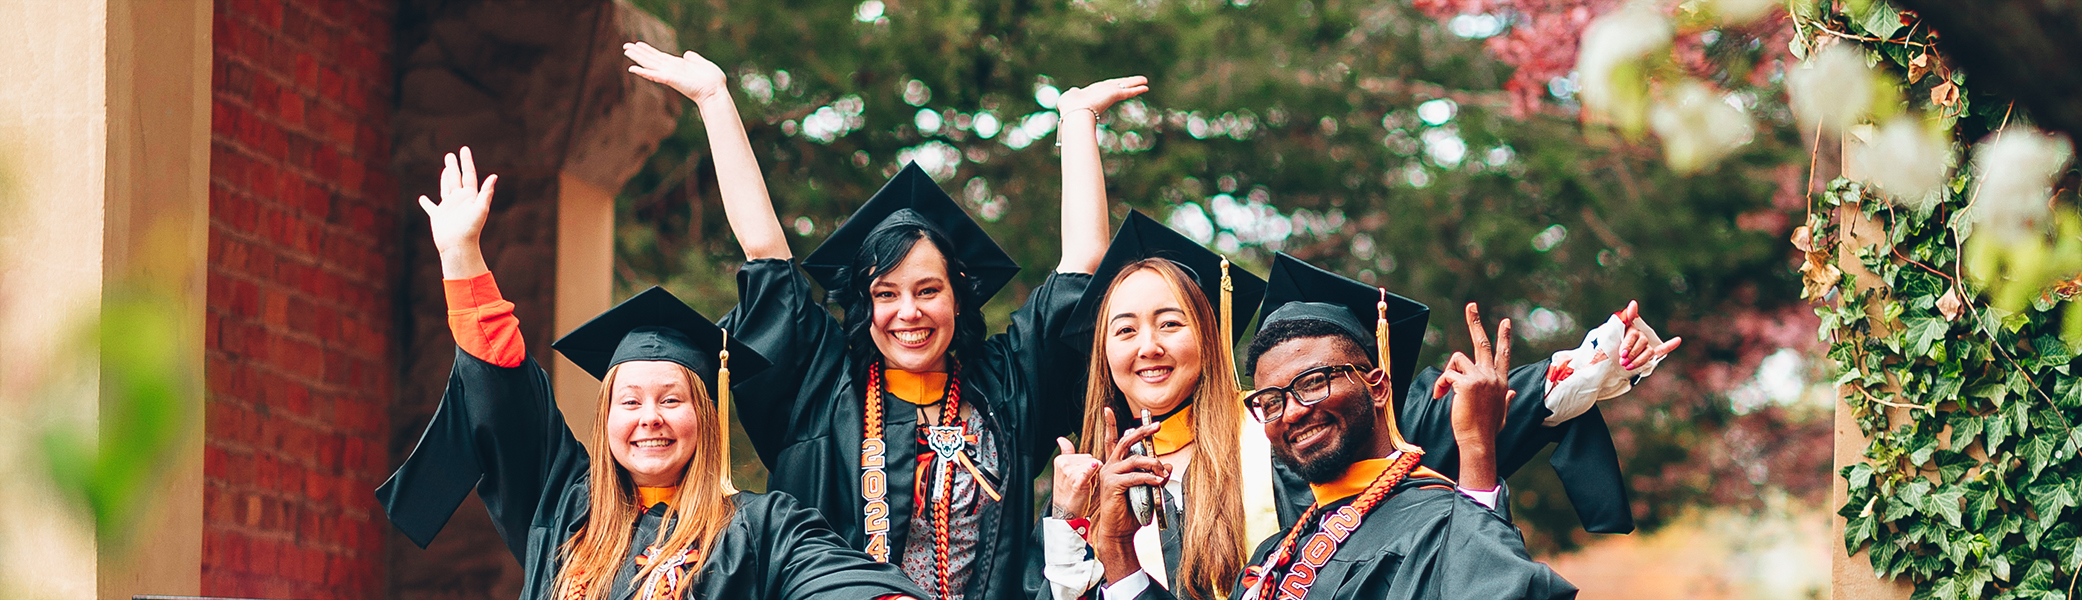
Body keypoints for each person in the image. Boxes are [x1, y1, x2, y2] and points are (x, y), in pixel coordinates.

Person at [618, 43, 1129, 600]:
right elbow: (765, 253)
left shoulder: (1004, 388)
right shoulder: (822, 385)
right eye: (886, 293)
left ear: (959, 298)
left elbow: (1081, 263)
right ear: (866, 306)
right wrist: (715, 100)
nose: (908, 312)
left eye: (928, 290)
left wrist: (1078, 121)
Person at [375, 146, 925, 600]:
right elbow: (501, 388)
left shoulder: (760, 528)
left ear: (705, 416)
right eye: (630, 402)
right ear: (607, 417)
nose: (649, 419)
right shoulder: (566, 507)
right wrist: (461, 254)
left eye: (671, 400)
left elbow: (844, 582)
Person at [1085, 256, 1578, 600]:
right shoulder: (1273, 557)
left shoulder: (1432, 521)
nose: (1295, 411)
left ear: (1379, 387)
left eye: (1315, 382)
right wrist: (1116, 548)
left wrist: (1476, 448)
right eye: (1271, 401)